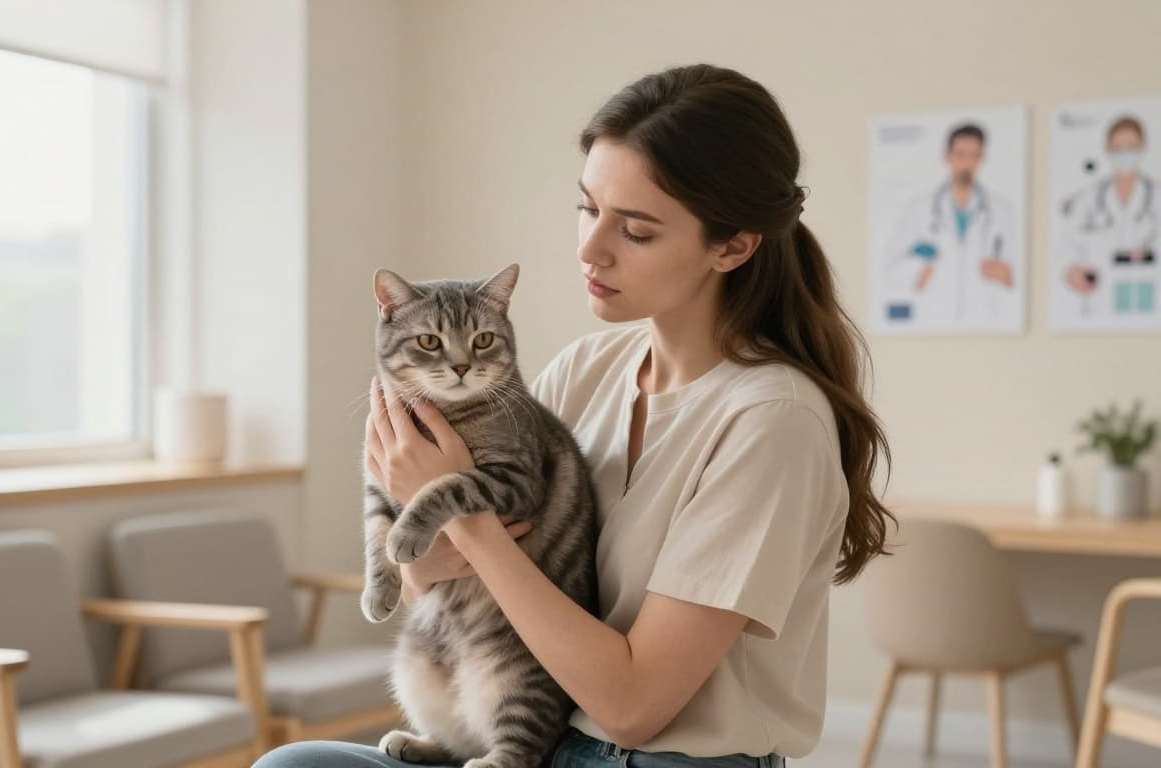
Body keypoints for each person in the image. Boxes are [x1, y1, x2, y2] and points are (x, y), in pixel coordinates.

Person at [255, 63, 893, 768]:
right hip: (535, 734)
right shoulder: (585, 371)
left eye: (637, 231)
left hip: (651, 759)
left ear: (733, 246)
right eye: (588, 208)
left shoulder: (772, 422)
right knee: (294, 765)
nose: (590, 248)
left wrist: (460, 511)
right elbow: (424, 581)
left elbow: (631, 710)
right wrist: (420, 523)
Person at [882, 123, 1018, 329]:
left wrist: (1007, 275)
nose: (966, 163)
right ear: (947, 157)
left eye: (974, 156)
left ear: (981, 159)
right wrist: (917, 271)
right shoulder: (918, 209)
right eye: (960, 154)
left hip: (986, 322)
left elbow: (1020, 275)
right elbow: (889, 268)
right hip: (931, 321)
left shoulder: (1002, 211)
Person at [1061, 115, 1158, 317]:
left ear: (1143, 147)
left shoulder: (1156, 194)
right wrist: (1072, 270)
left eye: (1131, 146)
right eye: (1118, 148)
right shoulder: (1089, 197)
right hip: (1100, 297)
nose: (1125, 154)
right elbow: (1068, 242)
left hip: (1149, 291)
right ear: (1107, 149)